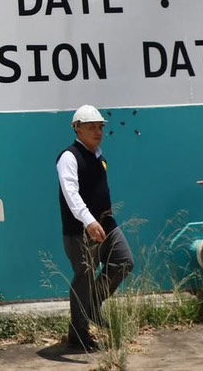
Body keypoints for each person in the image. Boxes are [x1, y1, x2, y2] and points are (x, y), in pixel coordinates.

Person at [57, 105, 134, 351]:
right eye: (91, 127)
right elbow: (71, 193)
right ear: (77, 128)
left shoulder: (99, 157)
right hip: (80, 230)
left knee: (124, 262)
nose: (98, 131)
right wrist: (88, 221)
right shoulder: (69, 157)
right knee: (85, 276)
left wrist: (100, 221)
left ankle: (92, 305)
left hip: (107, 225)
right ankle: (78, 334)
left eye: (100, 127)